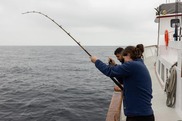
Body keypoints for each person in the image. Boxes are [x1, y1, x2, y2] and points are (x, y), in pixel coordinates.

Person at [90, 46, 154, 121]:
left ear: (129, 55)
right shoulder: (138, 64)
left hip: (138, 116)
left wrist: (96, 61)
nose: (124, 61)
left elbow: (109, 71)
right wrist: (114, 65)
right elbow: (122, 80)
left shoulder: (133, 65)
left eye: (124, 58)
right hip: (142, 114)